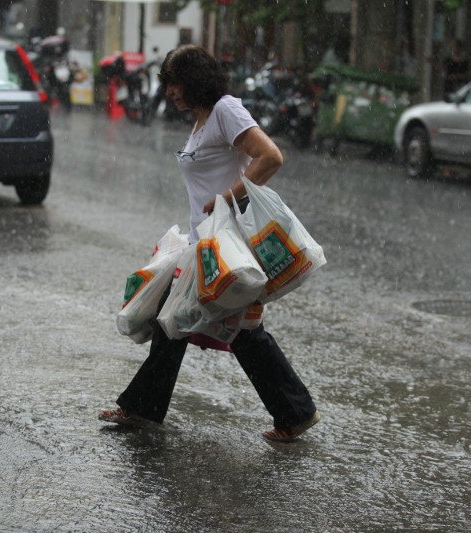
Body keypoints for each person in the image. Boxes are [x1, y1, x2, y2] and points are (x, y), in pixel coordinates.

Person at [99, 45, 320, 443]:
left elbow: (270, 156)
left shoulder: (225, 110)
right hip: (204, 244)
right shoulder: (202, 121)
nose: (169, 92)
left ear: (196, 79)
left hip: (226, 244)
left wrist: (227, 199)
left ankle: (143, 407)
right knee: (196, 324)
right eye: (167, 84)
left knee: (210, 325)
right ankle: (293, 411)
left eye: (175, 83)